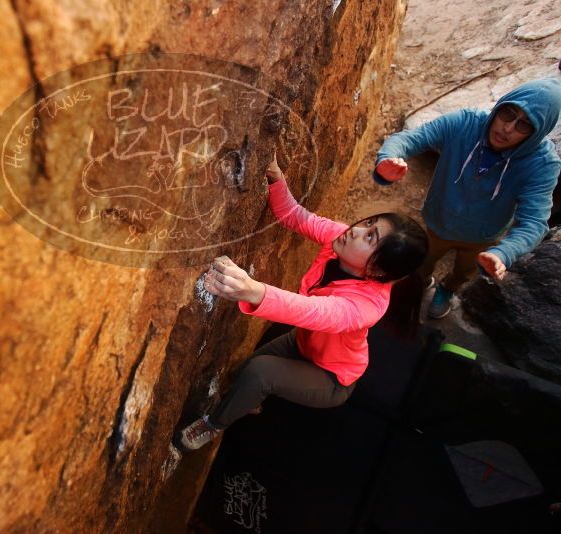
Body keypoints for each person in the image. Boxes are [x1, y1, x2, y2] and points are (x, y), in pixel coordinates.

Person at [178, 153, 428, 451]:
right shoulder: (342, 238)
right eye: (368, 223)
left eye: (370, 237)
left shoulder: (366, 307)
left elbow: (314, 312)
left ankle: (215, 424)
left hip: (332, 377)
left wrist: (251, 290)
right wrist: (275, 179)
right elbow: (296, 215)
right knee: (242, 371)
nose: (356, 230)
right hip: (305, 343)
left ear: (377, 270)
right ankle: (249, 399)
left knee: (259, 373)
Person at [374, 78, 561, 319]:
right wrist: (389, 159)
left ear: (537, 134)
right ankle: (420, 283)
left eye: (524, 125)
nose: (507, 128)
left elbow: (534, 222)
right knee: (421, 261)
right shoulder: (465, 123)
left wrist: (503, 253)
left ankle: (447, 289)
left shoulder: (542, 165)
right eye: (508, 114)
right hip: (437, 222)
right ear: (499, 107)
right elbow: (411, 138)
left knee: (465, 271)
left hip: (482, 238)